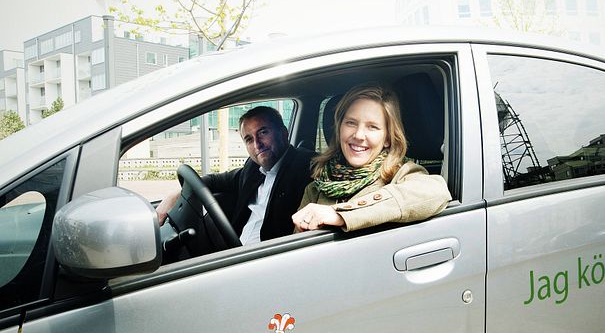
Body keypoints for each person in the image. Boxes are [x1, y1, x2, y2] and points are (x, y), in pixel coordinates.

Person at [292, 84, 450, 232]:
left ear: (388, 138)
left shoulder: (401, 174)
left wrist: (340, 214)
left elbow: (437, 192)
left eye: (372, 127)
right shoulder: (315, 189)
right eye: (351, 123)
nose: (359, 135)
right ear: (339, 128)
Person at [156, 106, 314, 245]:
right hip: (237, 249)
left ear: (284, 133)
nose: (257, 144)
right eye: (249, 139)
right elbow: (214, 180)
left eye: (263, 132)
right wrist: (173, 196)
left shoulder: (307, 167)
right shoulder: (252, 168)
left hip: (271, 260)